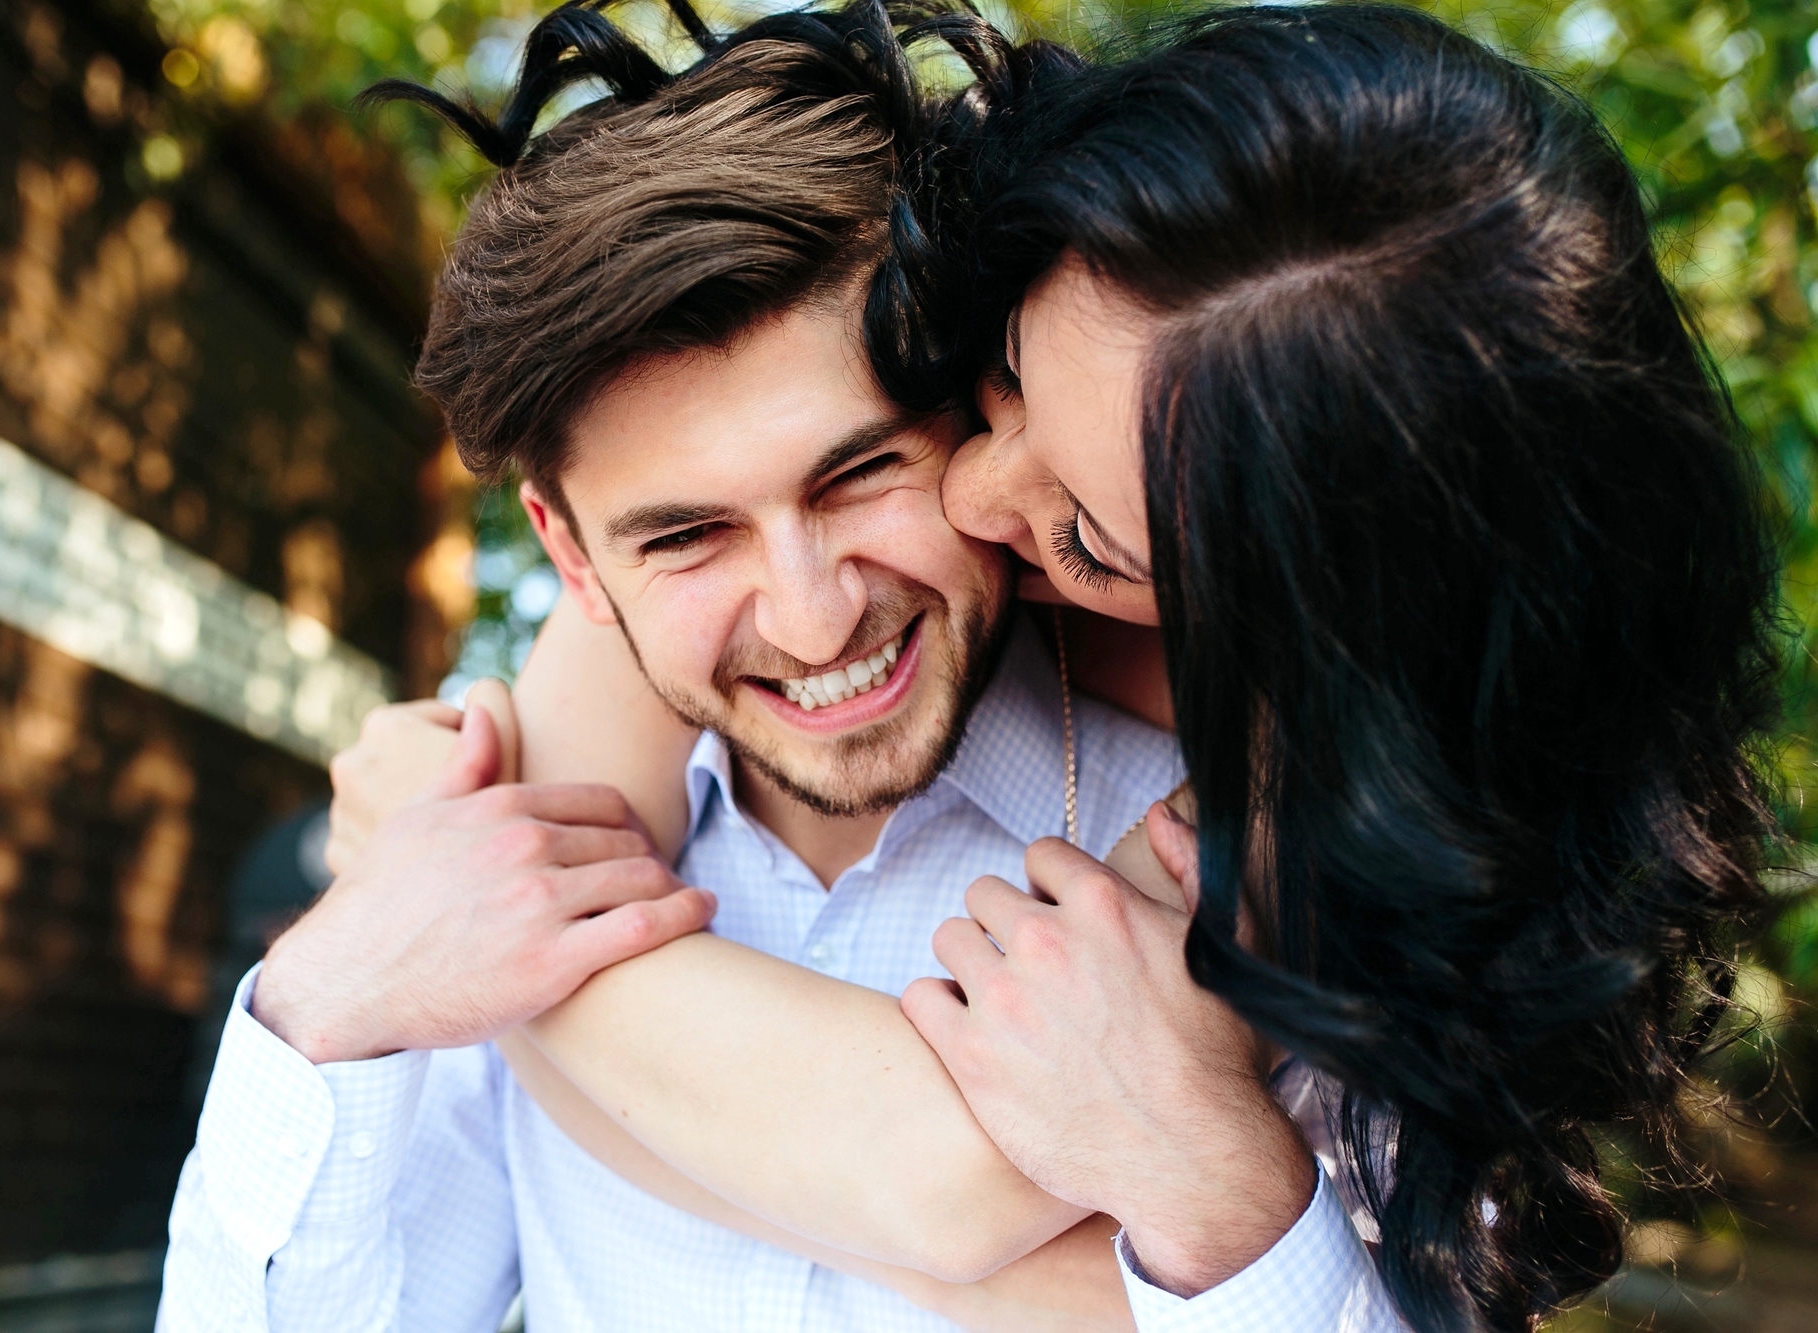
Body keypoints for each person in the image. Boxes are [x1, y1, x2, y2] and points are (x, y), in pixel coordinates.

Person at [324, 5, 1781, 1333]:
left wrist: (500, 953)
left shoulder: (1355, 816)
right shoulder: (682, 601)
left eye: (1085, 530)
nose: (976, 495)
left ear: (1291, 628)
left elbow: (939, 1168)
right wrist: (434, 902)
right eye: (997, 385)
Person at [160, 3, 1304, 1330]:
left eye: (862, 471)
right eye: (688, 535)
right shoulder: (481, 876)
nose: (816, 622)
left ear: (978, 412)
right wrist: (322, 1001)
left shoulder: (1240, 834)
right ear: (570, 557)